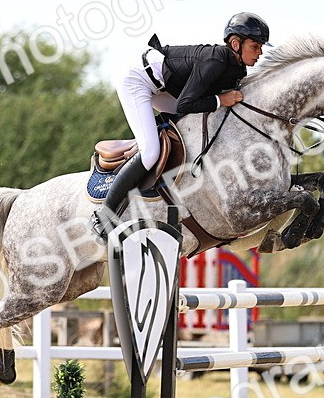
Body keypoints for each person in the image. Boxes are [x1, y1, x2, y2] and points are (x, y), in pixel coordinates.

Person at [90, 12, 271, 242]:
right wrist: (219, 100)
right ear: (236, 44)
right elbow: (187, 103)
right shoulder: (215, 61)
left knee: (189, 126)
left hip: (166, 86)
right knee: (150, 152)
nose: (260, 52)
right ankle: (103, 216)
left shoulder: (237, 68)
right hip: (138, 80)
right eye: (255, 46)